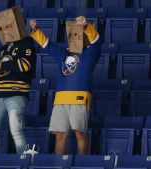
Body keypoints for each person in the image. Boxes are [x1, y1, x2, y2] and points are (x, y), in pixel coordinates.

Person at [30, 16, 101, 154]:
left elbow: (96, 40)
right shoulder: (64, 54)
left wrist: (86, 25)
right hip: (61, 99)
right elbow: (47, 45)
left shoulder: (90, 52)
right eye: (72, 34)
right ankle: (59, 165)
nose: (74, 36)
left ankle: (81, 164)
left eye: (77, 33)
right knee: (60, 135)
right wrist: (35, 29)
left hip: (79, 97)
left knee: (80, 133)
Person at [0, 7, 36, 154]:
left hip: (16, 93)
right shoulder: (2, 48)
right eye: (3, 27)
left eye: (8, 25)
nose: (5, 29)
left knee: (16, 128)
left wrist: (0, 65)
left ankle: (23, 161)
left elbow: (25, 65)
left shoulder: (27, 43)